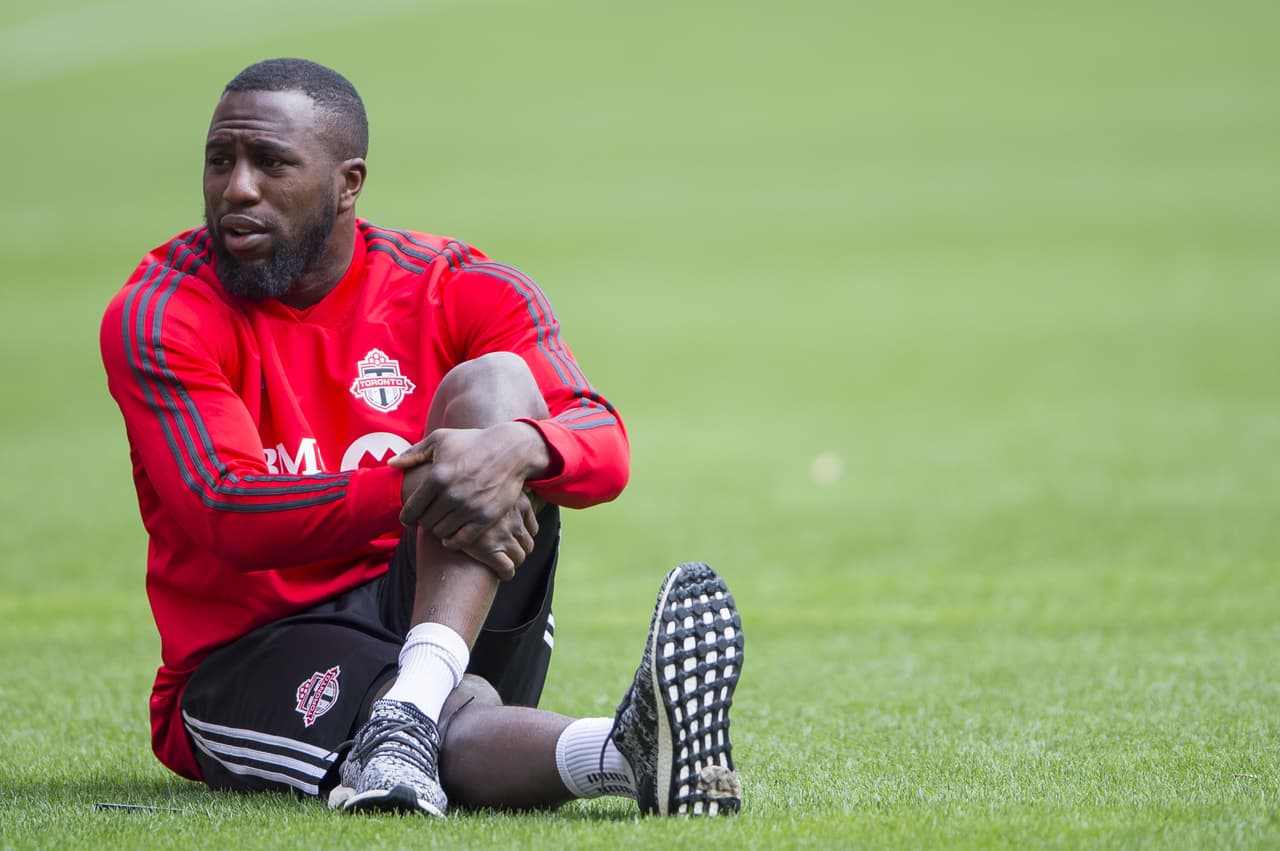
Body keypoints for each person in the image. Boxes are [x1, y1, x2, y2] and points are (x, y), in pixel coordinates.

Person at [99, 58, 743, 818]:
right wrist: (422, 481)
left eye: (271, 164)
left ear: (348, 183)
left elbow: (603, 446)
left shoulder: (453, 285)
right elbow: (223, 510)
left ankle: (415, 696)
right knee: (434, 719)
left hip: (440, 614)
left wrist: (523, 447)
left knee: (498, 386)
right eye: (220, 161)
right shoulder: (163, 311)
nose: (237, 188)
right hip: (253, 656)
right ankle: (618, 750)